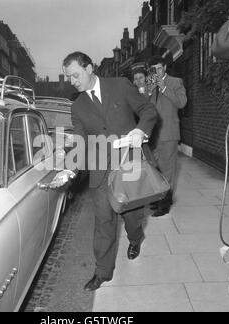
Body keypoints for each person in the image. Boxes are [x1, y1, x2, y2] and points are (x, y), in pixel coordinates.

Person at [52, 51, 157, 292]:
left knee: (131, 214)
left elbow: (149, 111)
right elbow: (79, 139)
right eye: (69, 77)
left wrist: (141, 131)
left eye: (75, 75)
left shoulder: (119, 86)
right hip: (100, 169)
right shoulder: (78, 106)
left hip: (128, 163)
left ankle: (135, 237)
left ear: (89, 68)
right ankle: (103, 271)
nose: (72, 81)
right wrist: (69, 169)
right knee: (103, 220)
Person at [147, 55, 187, 217]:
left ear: (164, 67)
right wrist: (147, 92)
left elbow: (182, 103)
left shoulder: (175, 82)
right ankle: (160, 197)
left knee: (167, 169)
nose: (156, 71)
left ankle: (164, 204)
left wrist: (163, 88)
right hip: (153, 134)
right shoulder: (151, 84)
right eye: (153, 69)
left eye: (158, 68)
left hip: (169, 133)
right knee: (155, 169)